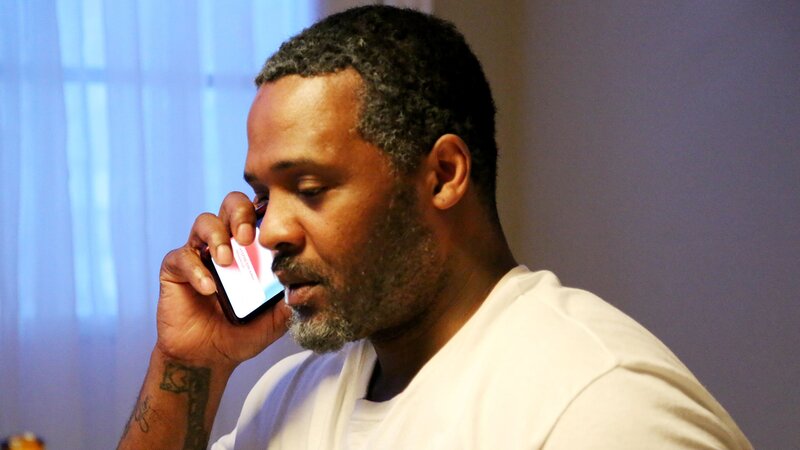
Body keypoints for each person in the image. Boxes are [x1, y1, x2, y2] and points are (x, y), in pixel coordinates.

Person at [117, 5, 751, 450]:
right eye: (262, 196)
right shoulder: (287, 399)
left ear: (444, 174)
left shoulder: (598, 405)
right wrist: (189, 365)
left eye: (309, 189)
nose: (270, 229)